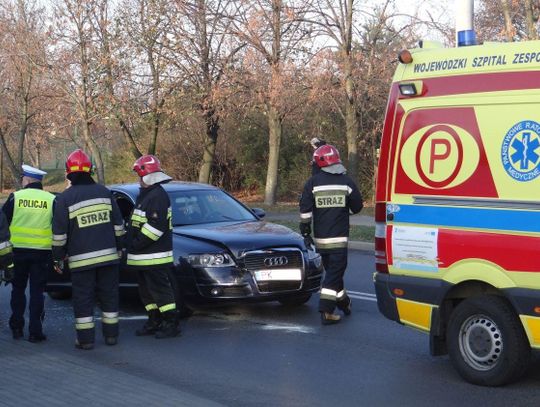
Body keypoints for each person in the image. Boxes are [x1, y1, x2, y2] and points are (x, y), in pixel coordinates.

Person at [52, 149, 125, 350]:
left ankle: (86, 340)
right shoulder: (105, 192)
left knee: (83, 299)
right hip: (109, 258)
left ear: (69, 172)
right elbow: (118, 226)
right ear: (90, 170)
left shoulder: (65, 198)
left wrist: (57, 259)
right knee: (109, 296)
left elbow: (59, 236)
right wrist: (120, 248)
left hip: (81, 262)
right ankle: (111, 336)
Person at [299, 144, 363, 325]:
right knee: (335, 273)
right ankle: (326, 311)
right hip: (339, 239)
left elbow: (305, 211)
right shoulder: (347, 182)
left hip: (320, 239)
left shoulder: (312, 183)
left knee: (334, 273)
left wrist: (305, 232)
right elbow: (357, 207)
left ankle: (344, 302)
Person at [127, 154, 180, 339]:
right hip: (143, 257)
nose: (138, 180)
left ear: (147, 175)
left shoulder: (156, 196)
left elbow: (155, 227)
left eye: (139, 176)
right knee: (147, 293)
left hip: (153, 256)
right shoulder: (147, 195)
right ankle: (154, 320)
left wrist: (134, 244)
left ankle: (171, 323)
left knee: (160, 292)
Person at [2, 165, 55, 342]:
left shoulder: (15, 197)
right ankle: (35, 332)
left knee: (18, 290)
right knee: (37, 292)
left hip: (17, 252)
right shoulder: (50, 199)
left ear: (27, 180)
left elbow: (3, 223)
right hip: (41, 253)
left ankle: (17, 327)